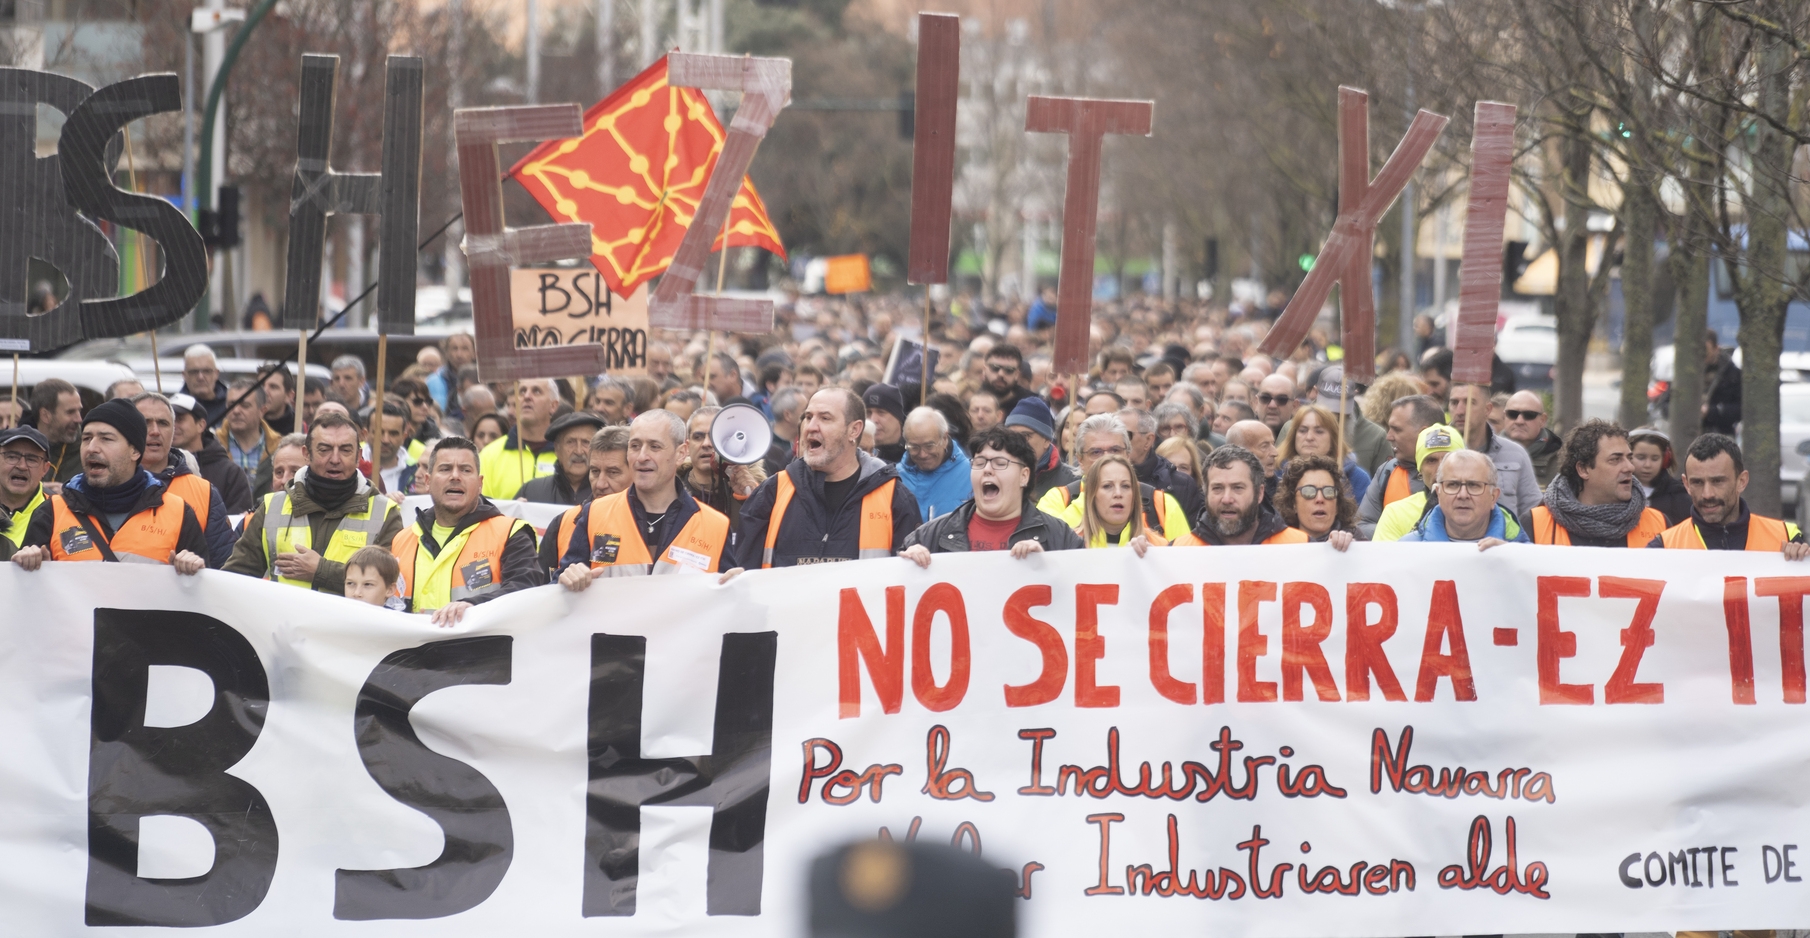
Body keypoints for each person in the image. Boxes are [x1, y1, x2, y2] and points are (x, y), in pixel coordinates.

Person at [12, 399, 206, 573]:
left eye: (106, 439)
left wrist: (192, 571)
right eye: (86, 438)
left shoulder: (178, 513)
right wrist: (32, 568)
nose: (92, 448)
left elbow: (203, 598)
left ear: (135, 452)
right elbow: (29, 601)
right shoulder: (52, 512)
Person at [737, 387, 922, 568]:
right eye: (808, 417)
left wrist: (915, 561)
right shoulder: (773, 492)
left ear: (854, 430)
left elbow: (908, 584)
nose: (811, 427)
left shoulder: (894, 497)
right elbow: (743, 574)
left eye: (825, 418)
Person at [225, 411, 404, 593]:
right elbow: (235, 577)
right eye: (324, 450)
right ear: (307, 454)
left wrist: (321, 570)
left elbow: (390, 584)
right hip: (283, 621)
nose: (335, 459)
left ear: (358, 456)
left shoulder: (385, 513)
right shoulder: (272, 507)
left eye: (345, 450)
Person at [558, 410, 733, 585]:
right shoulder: (595, 514)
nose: (642, 457)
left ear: (681, 453)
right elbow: (558, 593)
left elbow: (727, 605)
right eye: (635, 446)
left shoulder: (715, 526)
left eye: (654, 446)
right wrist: (567, 579)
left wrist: (736, 588)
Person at [391, 437, 542, 625]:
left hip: (479, 652)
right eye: (445, 469)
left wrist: (472, 605)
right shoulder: (400, 541)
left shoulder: (511, 534)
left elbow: (525, 592)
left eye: (465, 470)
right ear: (428, 481)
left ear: (480, 484)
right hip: (411, 652)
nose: (455, 476)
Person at [900, 426, 1082, 565]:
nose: (987, 470)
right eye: (979, 462)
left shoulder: (1059, 536)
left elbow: (1081, 588)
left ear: (1024, 476)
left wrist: (1050, 566)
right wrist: (907, 563)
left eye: (999, 463)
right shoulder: (932, 535)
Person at [1650, 433, 1808, 557]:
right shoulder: (1662, 547)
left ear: (1742, 481)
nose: (1707, 494)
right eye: (1697, 482)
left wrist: (1801, 561)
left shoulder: (1787, 537)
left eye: (1718, 481)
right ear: (1686, 484)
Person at [1038, 414, 1192, 540]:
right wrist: (1088, 500)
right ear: (1080, 460)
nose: (1107, 458)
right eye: (1096, 452)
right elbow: (1045, 547)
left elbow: (1182, 564)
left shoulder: (1162, 505)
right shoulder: (1057, 501)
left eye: (1115, 450)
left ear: (1127, 455)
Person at [1525, 420, 1669, 548]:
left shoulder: (1659, 523)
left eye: (1629, 458)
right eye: (1615, 460)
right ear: (1583, 469)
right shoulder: (1535, 524)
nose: (1630, 467)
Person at [133, 393, 233, 568]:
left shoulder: (205, 493)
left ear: (173, 432)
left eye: (163, 423)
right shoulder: (107, 486)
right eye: (146, 422)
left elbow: (225, 568)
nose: (155, 431)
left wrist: (198, 567)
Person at [540, 426, 631, 579]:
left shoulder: (650, 524)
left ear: (636, 471)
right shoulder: (563, 523)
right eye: (595, 471)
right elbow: (541, 591)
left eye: (613, 472)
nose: (600, 483)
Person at [1174, 445, 1308, 546]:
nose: (1226, 499)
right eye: (1217, 488)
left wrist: (1329, 550)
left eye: (1237, 488)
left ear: (1260, 493)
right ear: (1205, 492)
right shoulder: (1179, 551)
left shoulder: (1300, 546)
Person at [1447, 380, 1542, 519]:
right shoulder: (1437, 452)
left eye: (1469, 403)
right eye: (1454, 403)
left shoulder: (1516, 454)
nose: (1460, 411)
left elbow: (1534, 514)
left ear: (1488, 409)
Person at [1399, 449, 1529, 548]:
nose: (1462, 495)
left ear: (1493, 497)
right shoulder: (1406, 550)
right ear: (1438, 493)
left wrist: (1511, 561)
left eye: (1473, 485)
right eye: (1452, 485)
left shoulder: (1524, 554)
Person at [1358, 394, 1446, 536]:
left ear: (1423, 432)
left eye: (1397, 429)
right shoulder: (1387, 471)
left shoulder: (1469, 474)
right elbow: (1362, 526)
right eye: (1431, 461)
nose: (1389, 436)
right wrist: (1394, 528)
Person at [680, 406, 766, 541]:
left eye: (714, 436)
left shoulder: (755, 490)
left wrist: (750, 498)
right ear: (687, 447)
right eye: (698, 437)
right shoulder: (672, 490)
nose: (707, 444)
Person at [1373, 424, 1470, 542]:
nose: (1441, 468)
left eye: (1448, 459)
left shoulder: (1480, 507)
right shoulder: (1395, 514)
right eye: (1431, 461)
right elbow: (1385, 558)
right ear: (1420, 469)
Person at [169, 392, 253, 513]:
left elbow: (238, 522)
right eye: (169, 420)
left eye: (180, 419)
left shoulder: (230, 474)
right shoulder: (158, 468)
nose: (174, 426)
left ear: (201, 425)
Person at [480, 377, 560, 498]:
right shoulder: (489, 455)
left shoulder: (565, 454)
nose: (527, 396)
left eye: (536, 391)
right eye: (522, 391)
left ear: (553, 405)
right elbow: (481, 507)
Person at [1123, 407, 1206, 521]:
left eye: (1125, 435)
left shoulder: (1182, 485)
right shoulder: (1097, 475)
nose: (1117, 440)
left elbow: (1188, 535)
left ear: (1148, 440)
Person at [1277, 404, 1372, 501]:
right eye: (1303, 430)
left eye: (1319, 431)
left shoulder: (1357, 478)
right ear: (1293, 436)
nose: (1309, 437)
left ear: (1333, 438)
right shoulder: (1277, 471)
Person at [1308, 366, 1391, 474]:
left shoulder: (1376, 436)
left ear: (1355, 394)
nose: (1334, 417)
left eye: (1340, 411)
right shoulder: (1294, 429)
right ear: (1315, 392)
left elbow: (1385, 484)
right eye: (1327, 410)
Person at [898, 406, 973, 522]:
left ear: (944, 439)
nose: (922, 454)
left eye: (929, 446)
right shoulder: (897, 479)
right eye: (914, 447)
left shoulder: (971, 475)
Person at [1076, 454, 1161, 554]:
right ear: (1092, 495)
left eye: (1125, 486)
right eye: (1107, 486)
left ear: (1134, 495)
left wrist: (1153, 557)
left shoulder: (1158, 546)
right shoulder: (1069, 544)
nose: (1118, 494)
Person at [1275, 454, 1360, 551]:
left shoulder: (1355, 540)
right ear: (1293, 503)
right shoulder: (1277, 543)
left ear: (1337, 505)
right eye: (1308, 491)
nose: (1320, 499)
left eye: (1329, 491)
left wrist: (1353, 551)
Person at [517, 411, 604, 505]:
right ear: (557, 449)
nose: (579, 451)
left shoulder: (606, 491)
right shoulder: (532, 492)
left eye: (586, 442)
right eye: (571, 442)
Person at [1002, 396, 1077, 503]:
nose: (1016, 441)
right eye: (1011, 435)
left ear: (1046, 440)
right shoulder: (996, 475)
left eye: (1025, 436)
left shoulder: (1072, 482)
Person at [219, 377, 282, 496]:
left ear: (262, 410)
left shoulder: (279, 448)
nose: (236, 411)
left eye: (245, 405)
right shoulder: (212, 445)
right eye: (231, 404)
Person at [0, 426, 51, 561]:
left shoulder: (59, 511)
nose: (22, 466)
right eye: (12, 456)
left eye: (32, 459)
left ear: (45, 469)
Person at [1628, 427, 1692, 525]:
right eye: (1641, 458)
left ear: (1665, 459)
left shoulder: (1680, 497)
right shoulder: (1615, 493)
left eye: (1655, 459)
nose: (1647, 465)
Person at [1501, 390, 1561, 487]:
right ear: (1504, 417)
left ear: (1542, 420)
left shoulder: (1561, 462)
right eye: (1512, 414)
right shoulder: (1486, 456)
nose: (1519, 421)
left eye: (1529, 415)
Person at [29, 378, 83, 484]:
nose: (79, 419)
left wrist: (68, 492)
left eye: (79, 410)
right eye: (70, 412)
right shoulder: (19, 450)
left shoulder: (86, 452)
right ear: (45, 415)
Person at [1222, 419, 1281, 503]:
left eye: (1273, 444)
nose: (1275, 453)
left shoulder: (1285, 492)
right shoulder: (1219, 495)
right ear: (1238, 451)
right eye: (1264, 446)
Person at [1703, 331, 1742, 436]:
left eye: (1706, 351)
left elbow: (1741, 409)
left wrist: (1712, 411)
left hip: (1721, 434)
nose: (1702, 355)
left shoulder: (1732, 374)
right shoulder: (1687, 374)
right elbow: (1665, 403)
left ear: (1716, 348)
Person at [180, 344, 229, 426]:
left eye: (206, 371)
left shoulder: (232, 404)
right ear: (184, 375)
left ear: (216, 374)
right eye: (194, 372)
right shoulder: (175, 408)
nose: (200, 377)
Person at [343, 545, 402, 610]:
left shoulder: (397, 619)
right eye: (350, 583)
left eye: (367, 584)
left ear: (390, 590)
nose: (356, 593)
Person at [764, 387, 806, 475]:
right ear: (787, 415)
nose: (809, 414)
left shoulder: (806, 441)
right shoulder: (764, 447)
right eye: (805, 410)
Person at [863, 383, 907, 464]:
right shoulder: (855, 456)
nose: (873, 420)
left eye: (881, 412)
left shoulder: (915, 455)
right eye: (868, 413)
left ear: (898, 417)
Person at [982, 344, 1033, 415]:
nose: (1001, 374)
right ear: (984, 370)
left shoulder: (1031, 406)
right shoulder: (970, 402)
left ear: (1017, 374)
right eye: (995, 368)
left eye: (1009, 370)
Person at [262, 366, 296, 435]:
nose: (264, 392)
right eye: (261, 385)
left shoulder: (301, 429)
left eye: (273, 387)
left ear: (289, 396)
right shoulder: (244, 426)